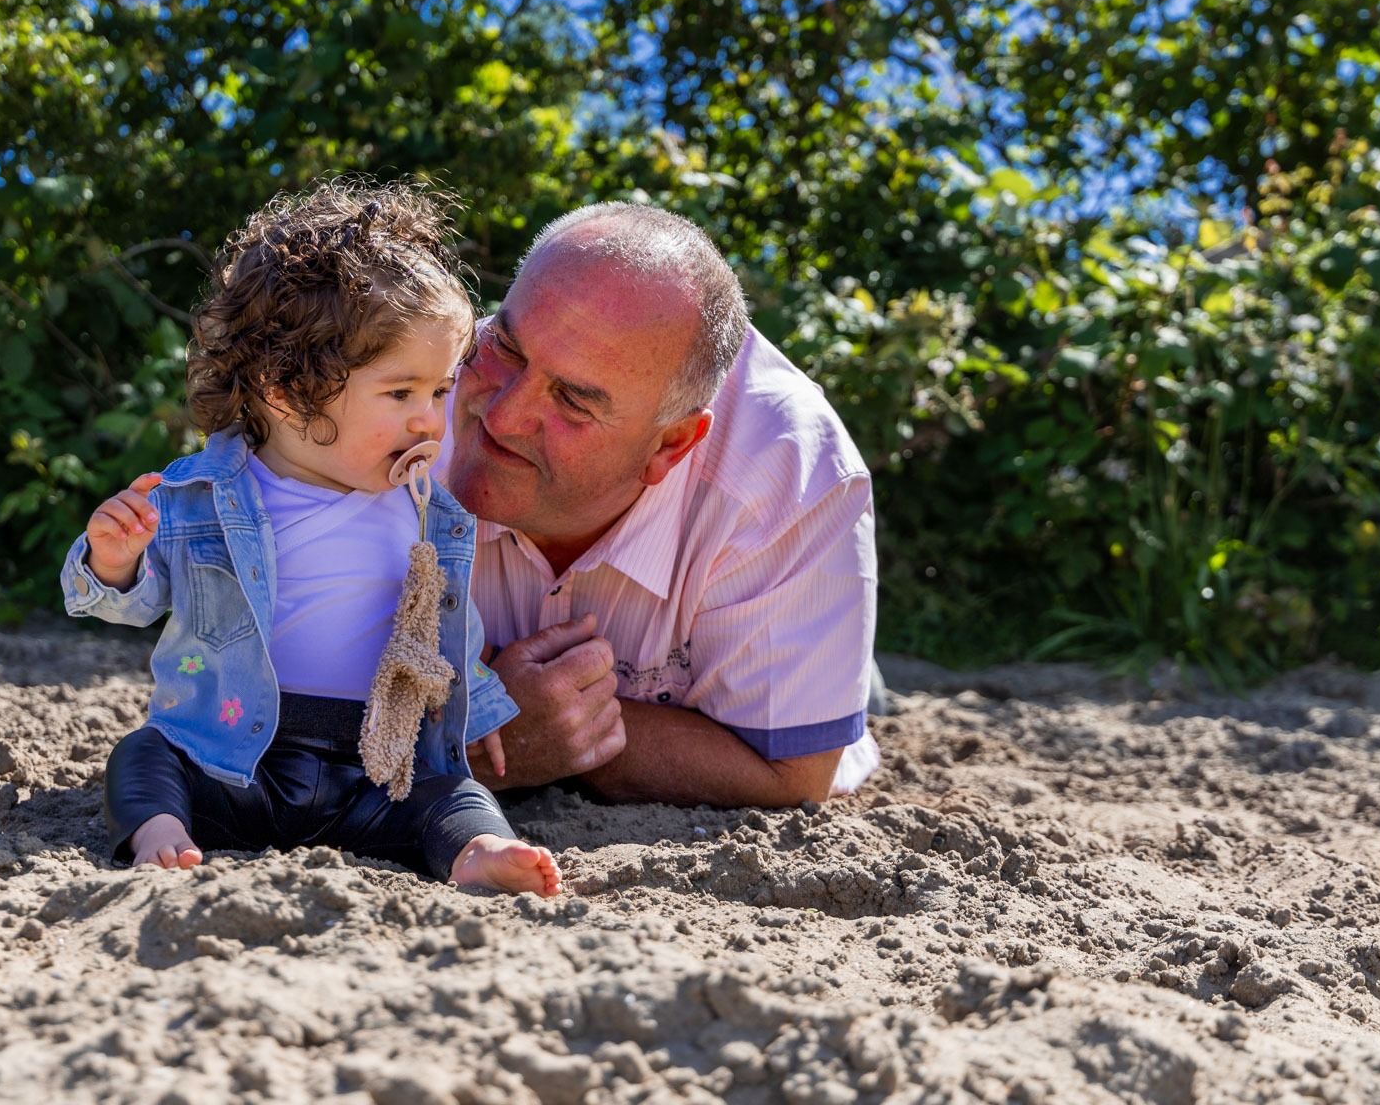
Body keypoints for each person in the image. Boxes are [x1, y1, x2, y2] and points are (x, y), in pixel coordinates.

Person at [60, 180, 561, 896]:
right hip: (234, 762)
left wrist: (476, 708)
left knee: (452, 795)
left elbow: (443, 625)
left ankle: (476, 851)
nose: (429, 421)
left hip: (376, 770)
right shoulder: (201, 496)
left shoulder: (428, 511)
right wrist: (113, 560)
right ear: (287, 391)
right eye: (400, 393)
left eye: (440, 391)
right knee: (145, 755)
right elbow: (125, 605)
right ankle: (162, 832)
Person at [443, 203, 879, 809]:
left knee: (840, 686)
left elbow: (790, 772)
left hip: (765, 612)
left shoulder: (793, 479)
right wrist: (498, 726)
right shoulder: (405, 388)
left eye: (572, 400)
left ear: (671, 445)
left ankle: (852, 664)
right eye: (508, 348)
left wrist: (546, 727)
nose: (501, 415)